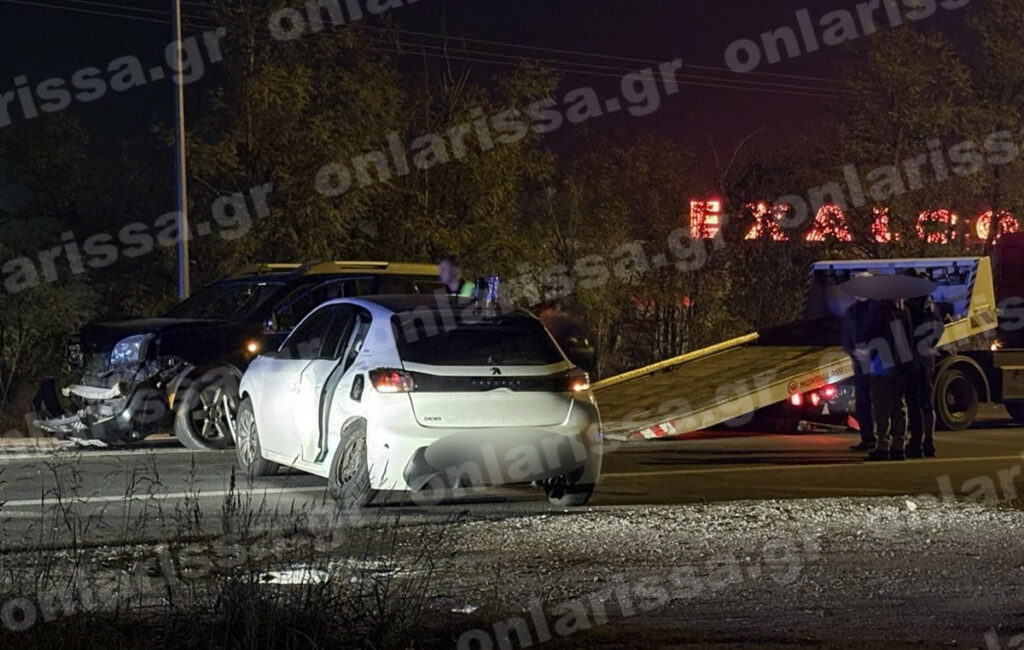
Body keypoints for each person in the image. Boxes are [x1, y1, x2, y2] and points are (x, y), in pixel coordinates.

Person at [860, 298, 913, 461]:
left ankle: (883, 446)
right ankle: (899, 446)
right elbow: (908, 337)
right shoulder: (904, 310)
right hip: (900, 363)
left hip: (882, 362)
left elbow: (870, 335)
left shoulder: (880, 311)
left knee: (881, 407)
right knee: (899, 405)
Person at [903, 282, 943, 458]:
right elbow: (939, 330)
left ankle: (916, 442)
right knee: (927, 403)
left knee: (913, 402)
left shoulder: (910, 309)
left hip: (913, 359)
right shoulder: (932, 309)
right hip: (928, 359)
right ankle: (929, 441)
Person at [841, 292, 876, 451]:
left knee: (878, 403)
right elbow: (847, 337)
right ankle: (869, 438)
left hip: (875, 364)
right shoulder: (853, 312)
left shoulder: (876, 309)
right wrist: (854, 353)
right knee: (863, 403)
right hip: (864, 364)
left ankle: (881, 439)